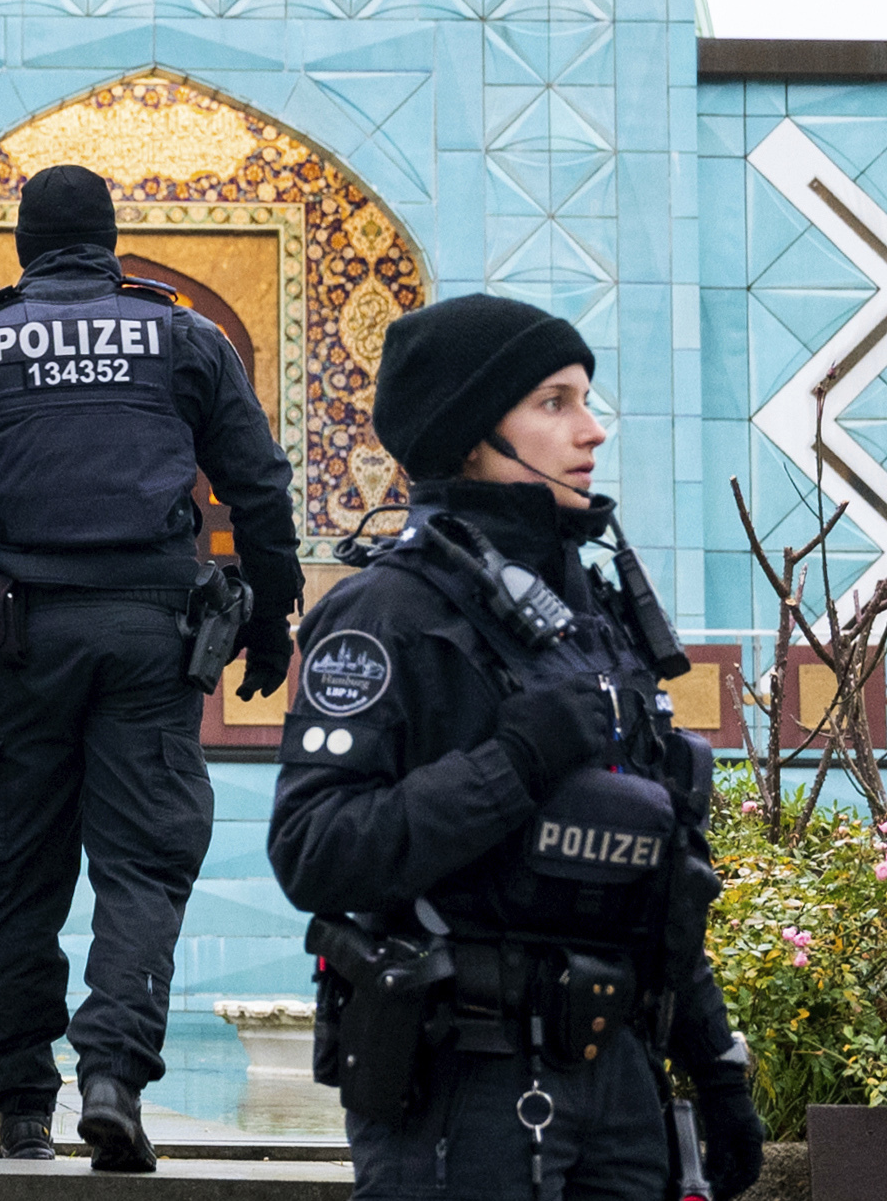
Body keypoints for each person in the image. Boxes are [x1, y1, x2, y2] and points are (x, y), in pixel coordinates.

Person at [269, 293, 762, 1201]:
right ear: (468, 434)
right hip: (468, 1081)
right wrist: (515, 763)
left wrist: (714, 1062)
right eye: (555, 402)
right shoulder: (389, 614)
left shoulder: (592, 613)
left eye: (586, 398)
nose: (592, 430)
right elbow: (317, 849)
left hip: (619, 1074)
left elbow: (663, 869)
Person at [0, 164, 307, 1171]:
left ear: (23, 246)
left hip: (25, 642)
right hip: (154, 640)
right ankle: (114, 1076)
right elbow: (260, 488)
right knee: (143, 864)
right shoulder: (187, 335)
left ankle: (24, 1107)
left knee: (22, 873)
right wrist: (273, 624)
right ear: (111, 246)